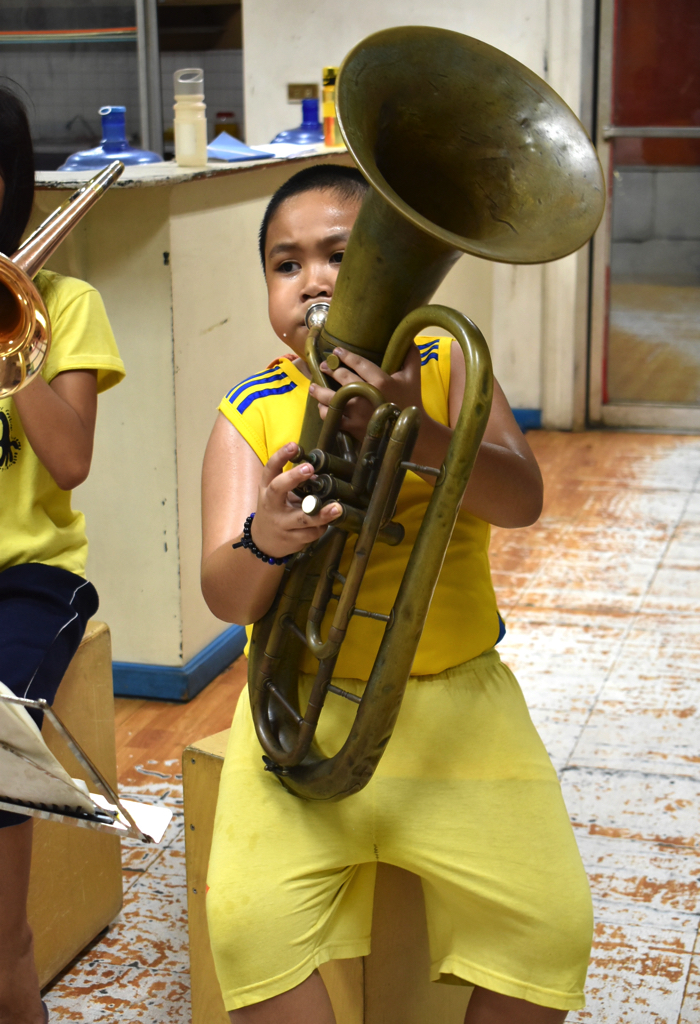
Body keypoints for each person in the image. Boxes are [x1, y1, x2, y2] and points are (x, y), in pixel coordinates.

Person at [201, 164, 593, 1024]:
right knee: (245, 928)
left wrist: (421, 431)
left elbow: (522, 498)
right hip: (300, 705)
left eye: (340, 253)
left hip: (459, 707)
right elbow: (227, 596)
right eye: (285, 263)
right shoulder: (252, 406)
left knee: (553, 928)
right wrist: (266, 536)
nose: (313, 281)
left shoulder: (446, 363)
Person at [0, 86, 125, 1024]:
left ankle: (11, 951)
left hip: (30, 578)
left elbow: (70, 460)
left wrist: (11, 357)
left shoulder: (63, 304)